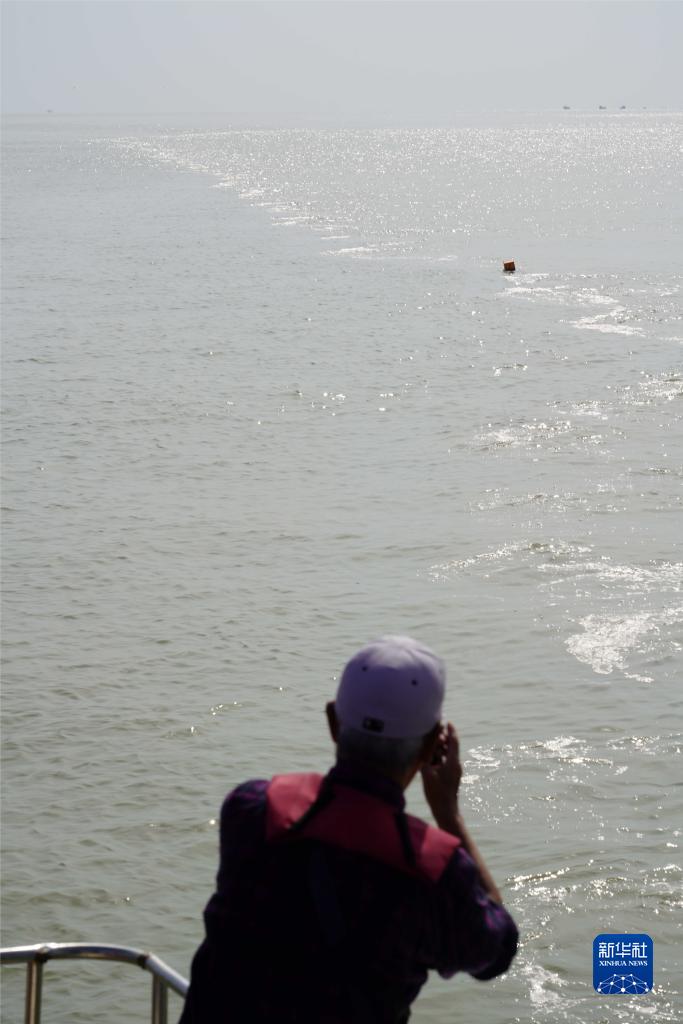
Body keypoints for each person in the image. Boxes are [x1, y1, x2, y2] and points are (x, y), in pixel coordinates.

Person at [179, 636, 518, 1023]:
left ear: (333, 722)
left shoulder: (252, 810)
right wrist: (449, 814)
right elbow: (496, 951)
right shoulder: (435, 872)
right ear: (431, 749)